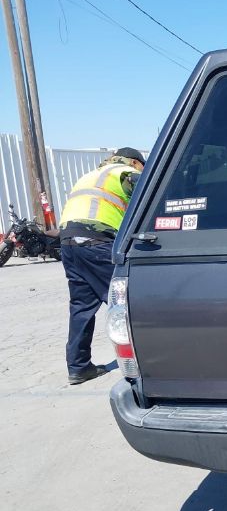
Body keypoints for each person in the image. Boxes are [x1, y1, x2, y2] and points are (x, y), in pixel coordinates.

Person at [58, 147, 145, 384]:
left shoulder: (91, 175)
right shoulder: (125, 173)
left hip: (68, 242)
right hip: (97, 242)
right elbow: (149, 200)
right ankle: (153, 361)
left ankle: (78, 367)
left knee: (81, 306)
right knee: (128, 301)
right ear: (136, 163)